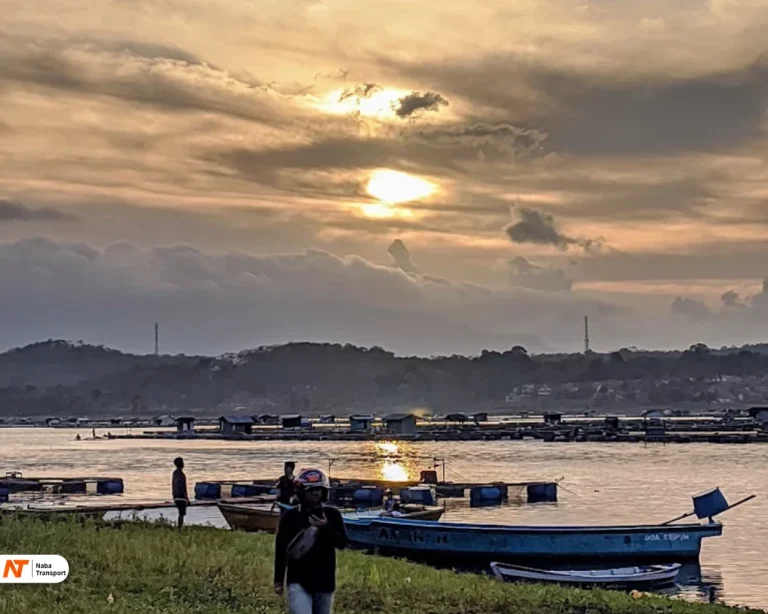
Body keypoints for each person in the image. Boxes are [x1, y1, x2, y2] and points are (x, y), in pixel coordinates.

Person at [274, 468, 347, 614]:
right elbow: (281, 548)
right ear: (301, 492)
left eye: (319, 490)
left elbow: (342, 543)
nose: (315, 493)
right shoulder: (290, 517)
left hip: (325, 581)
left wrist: (325, 527)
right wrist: (278, 579)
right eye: (311, 490)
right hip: (297, 579)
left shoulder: (333, 514)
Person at [172, 456, 190, 531]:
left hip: (175, 496)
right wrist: (187, 499)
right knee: (181, 514)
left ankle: (179, 528)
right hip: (181, 497)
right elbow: (183, 487)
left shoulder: (175, 473)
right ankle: (179, 528)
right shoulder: (181, 475)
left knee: (181, 513)